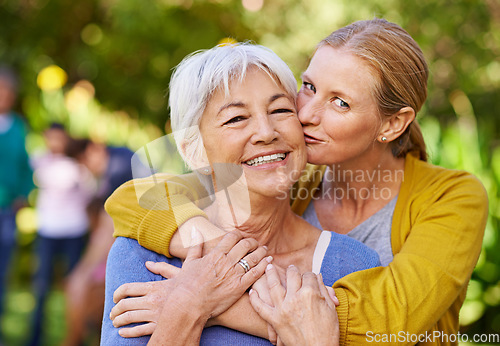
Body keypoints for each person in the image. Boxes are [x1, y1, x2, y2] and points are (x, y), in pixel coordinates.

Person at [106, 18, 488, 345]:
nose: (306, 113)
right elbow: (135, 197)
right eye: (308, 87)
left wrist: (202, 302)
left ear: (391, 124)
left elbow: (389, 322)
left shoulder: (453, 197)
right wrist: (217, 252)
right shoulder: (289, 177)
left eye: (340, 103)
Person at [101, 42, 380, 344]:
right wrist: (188, 307)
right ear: (195, 152)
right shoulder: (141, 255)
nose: (266, 131)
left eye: (281, 110)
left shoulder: (353, 263)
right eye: (236, 118)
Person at [63, 138, 141, 345]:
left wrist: (84, 271)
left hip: (139, 252)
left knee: (80, 287)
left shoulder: (118, 167)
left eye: (84, 163)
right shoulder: (120, 158)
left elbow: (106, 231)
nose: (87, 170)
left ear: (92, 151)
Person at [29, 123, 95, 346]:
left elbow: (91, 194)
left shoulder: (78, 165)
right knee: (41, 287)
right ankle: (35, 338)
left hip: (74, 231)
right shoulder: (38, 160)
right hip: (47, 230)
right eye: (51, 138)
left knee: (75, 286)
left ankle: (75, 337)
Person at [0, 65, 33, 339]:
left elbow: (26, 167)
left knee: (3, 268)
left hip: (7, 211)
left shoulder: (18, 128)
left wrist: (23, 195)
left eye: (8, 91)